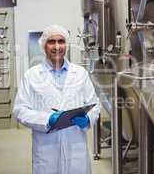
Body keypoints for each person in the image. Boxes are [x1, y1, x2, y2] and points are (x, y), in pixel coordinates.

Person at [13, 24, 100, 174]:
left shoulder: (80, 73)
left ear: (66, 44)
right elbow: (20, 110)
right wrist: (47, 119)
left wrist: (87, 119)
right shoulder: (32, 76)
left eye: (61, 41)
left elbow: (95, 105)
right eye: (51, 42)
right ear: (44, 46)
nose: (57, 46)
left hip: (75, 145)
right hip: (47, 149)